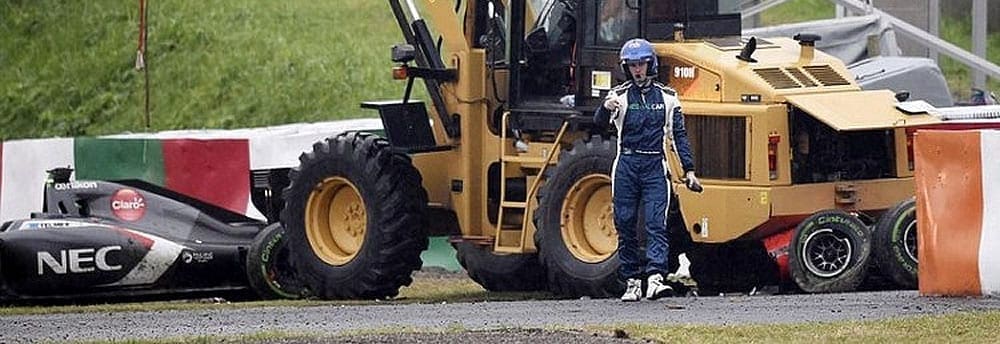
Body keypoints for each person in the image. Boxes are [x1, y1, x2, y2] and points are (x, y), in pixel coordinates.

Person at [594, 38, 701, 302]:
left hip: (655, 166)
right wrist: (604, 108)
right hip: (626, 166)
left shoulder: (668, 97)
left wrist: (689, 170)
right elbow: (599, 123)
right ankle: (632, 282)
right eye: (632, 66)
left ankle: (655, 279)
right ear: (626, 68)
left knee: (656, 224)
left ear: (650, 64)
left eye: (641, 64)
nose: (637, 70)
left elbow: (678, 135)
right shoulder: (618, 96)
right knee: (625, 224)